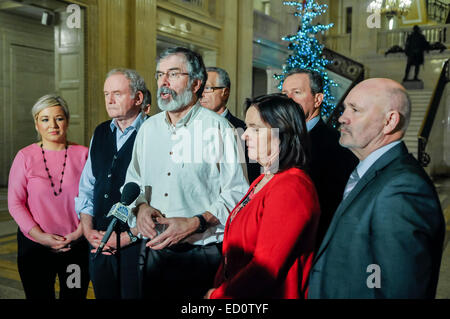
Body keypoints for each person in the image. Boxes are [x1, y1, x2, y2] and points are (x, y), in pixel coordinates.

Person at [124, 47, 249, 299]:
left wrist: (195, 222)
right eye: (160, 75)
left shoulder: (221, 129)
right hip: (153, 251)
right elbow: (133, 182)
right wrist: (141, 209)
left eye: (173, 74)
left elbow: (238, 193)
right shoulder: (148, 129)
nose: (163, 83)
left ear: (196, 83)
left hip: (201, 256)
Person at [308, 78, 445, 299]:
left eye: (355, 110)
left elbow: (397, 290)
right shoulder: (370, 174)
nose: (342, 118)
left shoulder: (403, 189)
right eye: (344, 108)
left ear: (390, 121)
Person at [205, 93, 320, 299]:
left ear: (282, 132)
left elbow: (265, 269)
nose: (244, 135)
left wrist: (219, 296)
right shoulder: (264, 179)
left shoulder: (292, 187)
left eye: (255, 129)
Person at [75, 68, 149, 299]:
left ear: (138, 98)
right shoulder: (100, 132)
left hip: (137, 244)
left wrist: (128, 237)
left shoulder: (154, 133)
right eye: (106, 93)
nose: (110, 99)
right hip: (98, 241)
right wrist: (88, 231)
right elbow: (87, 187)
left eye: (117, 93)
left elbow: (164, 196)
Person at [8, 94, 89, 299]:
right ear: (37, 124)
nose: (52, 124)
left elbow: (93, 198)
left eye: (59, 118)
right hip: (35, 248)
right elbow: (15, 203)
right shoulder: (24, 156)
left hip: (75, 248)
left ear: (67, 121)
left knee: (74, 295)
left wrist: (79, 233)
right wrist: (40, 236)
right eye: (45, 119)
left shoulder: (84, 154)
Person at [281, 69, 358, 250]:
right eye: (284, 94)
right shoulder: (275, 139)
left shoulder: (339, 145)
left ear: (318, 99)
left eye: (297, 92)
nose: (288, 99)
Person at [200, 66, 261, 183]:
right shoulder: (187, 128)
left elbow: (253, 175)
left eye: (207, 88)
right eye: (199, 89)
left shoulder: (243, 131)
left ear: (225, 92)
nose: (201, 94)